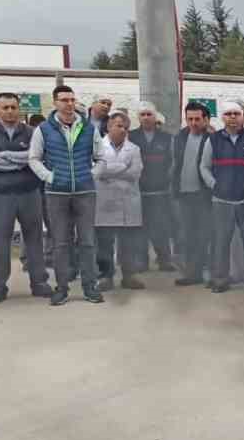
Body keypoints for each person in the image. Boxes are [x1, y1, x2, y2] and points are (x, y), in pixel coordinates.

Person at [28, 85, 105, 305]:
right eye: (64, 100)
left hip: (85, 192)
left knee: (88, 241)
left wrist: (90, 175)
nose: (69, 104)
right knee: (61, 242)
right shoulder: (43, 129)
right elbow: (33, 158)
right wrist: (49, 177)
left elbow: (101, 158)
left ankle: (90, 286)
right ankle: (62, 287)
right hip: (56, 193)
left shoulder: (89, 128)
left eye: (72, 100)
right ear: (55, 103)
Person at [0, 92, 51, 303]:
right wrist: (22, 161)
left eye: (13, 107)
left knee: (34, 238)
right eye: (5, 108)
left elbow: (39, 157)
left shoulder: (33, 132)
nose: (10, 111)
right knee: (0, 240)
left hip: (29, 193)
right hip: (1, 195)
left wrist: (7, 155)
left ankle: (39, 282)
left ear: (19, 109)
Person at [201, 101, 244, 293]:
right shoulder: (213, 140)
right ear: (222, 117)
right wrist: (214, 184)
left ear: (243, 116)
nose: (232, 118)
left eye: (236, 114)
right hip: (221, 200)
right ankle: (220, 279)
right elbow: (204, 167)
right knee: (221, 241)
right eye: (228, 114)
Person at [92, 112, 146, 291]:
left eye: (125, 127)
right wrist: (122, 167)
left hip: (128, 202)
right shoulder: (96, 146)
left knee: (129, 243)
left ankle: (129, 276)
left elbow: (135, 173)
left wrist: (109, 171)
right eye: (118, 126)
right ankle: (106, 276)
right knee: (105, 244)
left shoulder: (134, 149)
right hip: (104, 202)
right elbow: (96, 172)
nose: (123, 130)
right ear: (108, 126)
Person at [129, 102, 178, 274]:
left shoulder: (167, 138)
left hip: (160, 191)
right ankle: (141, 261)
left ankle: (165, 260)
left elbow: (173, 162)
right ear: (138, 118)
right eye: (142, 115)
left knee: (161, 228)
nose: (146, 118)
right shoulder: (131, 137)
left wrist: (167, 179)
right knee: (140, 228)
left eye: (149, 114)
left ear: (155, 116)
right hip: (138, 191)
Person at [172, 102, 214, 287]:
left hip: (205, 195)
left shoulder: (213, 138)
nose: (193, 123)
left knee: (206, 235)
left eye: (197, 119)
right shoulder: (180, 136)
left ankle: (211, 273)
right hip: (184, 194)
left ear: (206, 119)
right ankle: (192, 273)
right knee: (187, 235)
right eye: (190, 119)